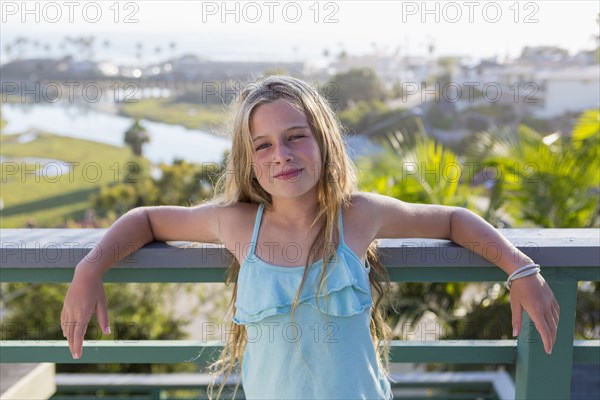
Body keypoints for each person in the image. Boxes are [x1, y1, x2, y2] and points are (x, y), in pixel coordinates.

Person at [61, 75, 559, 399]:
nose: (282, 154)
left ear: (322, 139)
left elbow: (451, 219)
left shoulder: (358, 216)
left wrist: (520, 268)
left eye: (296, 136)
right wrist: (90, 268)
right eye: (264, 145)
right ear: (250, 160)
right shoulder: (236, 224)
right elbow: (146, 219)